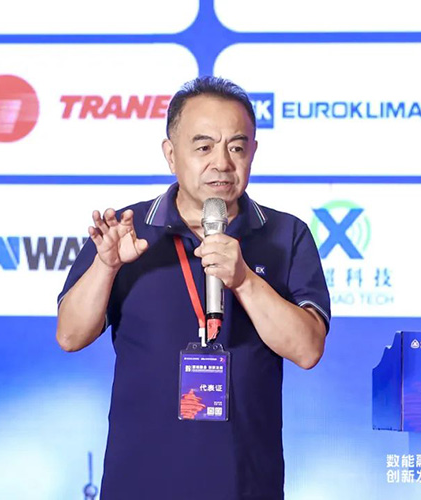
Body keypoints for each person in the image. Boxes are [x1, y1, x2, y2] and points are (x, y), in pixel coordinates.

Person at [56, 76, 331, 500]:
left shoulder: (286, 234)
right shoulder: (128, 230)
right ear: (171, 154)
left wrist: (245, 280)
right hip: (140, 484)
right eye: (203, 147)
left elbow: (308, 349)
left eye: (236, 147)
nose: (222, 163)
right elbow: (70, 336)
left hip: (245, 485)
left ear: (253, 153)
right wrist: (106, 267)